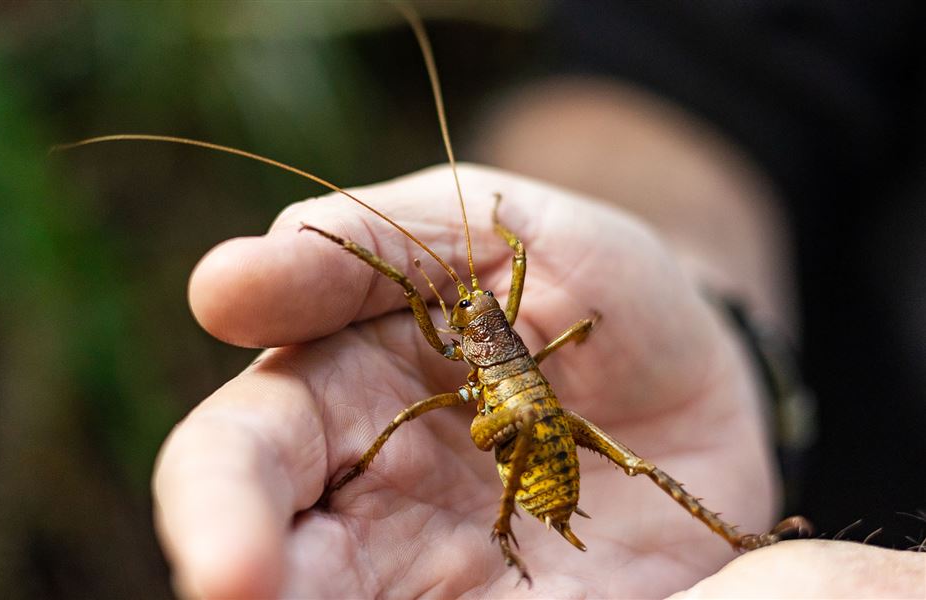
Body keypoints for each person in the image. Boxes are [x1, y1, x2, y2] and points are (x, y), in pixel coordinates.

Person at [154, 4, 925, 597]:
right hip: (527, 410)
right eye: (467, 312)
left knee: (605, 453)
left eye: (477, 308)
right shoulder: (476, 340)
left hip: (536, 421)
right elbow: (707, 72)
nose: (469, 312)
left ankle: (706, 535)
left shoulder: (478, 347)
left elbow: (506, 277)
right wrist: (724, 330)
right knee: (505, 416)